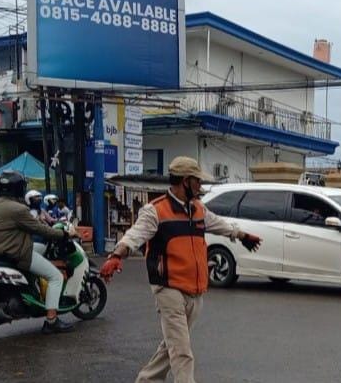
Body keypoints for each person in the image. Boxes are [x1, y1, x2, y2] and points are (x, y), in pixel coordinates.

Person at [100, 157, 263, 383]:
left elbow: (219, 224)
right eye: (197, 181)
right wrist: (117, 255)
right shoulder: (155, 211)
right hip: (168, 289)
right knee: (182, 352)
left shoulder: (198, 209)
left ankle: (146, 380)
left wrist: (242, 236)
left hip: (194, 291)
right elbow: (134, 235)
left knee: (173, 345)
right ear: (185, 181)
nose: (200, 186)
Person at [0, 170, 77, 334]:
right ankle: (52, 320)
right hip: (12, 252)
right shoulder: (19, 210)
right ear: (19, 188)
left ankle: (33, 290)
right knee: (56, 276)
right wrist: (64, 234)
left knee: (39, 250)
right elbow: (40, 229)